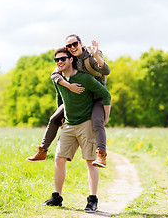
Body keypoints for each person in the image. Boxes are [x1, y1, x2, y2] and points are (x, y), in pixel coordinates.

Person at [42, 47, 111, 212]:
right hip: (68, 125)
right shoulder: (57, 79)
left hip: (86, 123)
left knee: (90, 162)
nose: (59, 62)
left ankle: (92, 200)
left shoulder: (84, 78)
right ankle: (57, 197)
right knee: (59, 159)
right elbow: (59, 97)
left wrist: (105, 116)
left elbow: (105, 93)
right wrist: (62, 115)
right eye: (57, 60)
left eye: (63, 59)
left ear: (71, 59)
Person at [27, 34, 111, 168]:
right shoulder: (67, 59)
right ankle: (42, 151)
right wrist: (68, 86)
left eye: (75, 44)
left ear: (80, 44)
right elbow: (55, 75)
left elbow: (106, 70)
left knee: (96, 121)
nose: (72, 47)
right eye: (69, 45)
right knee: (54, 118)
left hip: (96, 97)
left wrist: (96, 55)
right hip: (79, 96)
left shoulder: (89, 57)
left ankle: (101, 154)